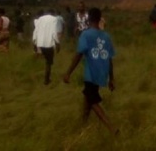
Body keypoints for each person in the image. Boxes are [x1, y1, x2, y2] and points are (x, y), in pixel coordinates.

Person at [63, 7, 118, 135]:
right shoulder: (106, 36)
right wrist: (111, 78)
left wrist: (68, 73)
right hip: (102, 73)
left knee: (92, 101)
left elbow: (78, 55)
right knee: (88, 98)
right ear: (100, 19)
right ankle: (82, 126)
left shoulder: (86, 34)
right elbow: (110, 59)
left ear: (88, 19)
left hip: (91, 74)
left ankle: (111, 128)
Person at [33, 9, 60, 85]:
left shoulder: (41, 19)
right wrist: (58, 43)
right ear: (53, 13)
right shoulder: (54, 19)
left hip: (40, 42)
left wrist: (35, 42)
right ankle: (46, 80)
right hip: (49, 44)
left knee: (43, 60)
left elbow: (36, 30)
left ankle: (41, 77)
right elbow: (54, 32)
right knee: (48, 62)